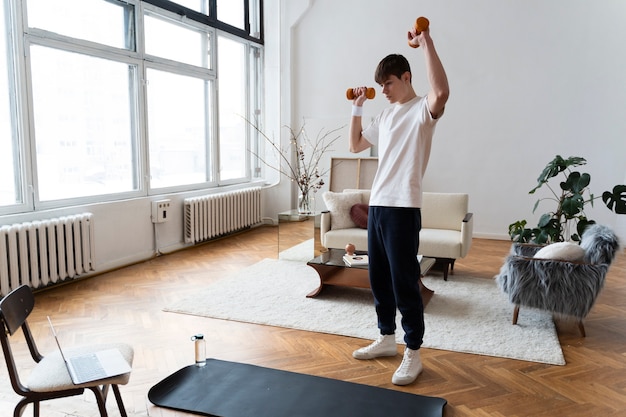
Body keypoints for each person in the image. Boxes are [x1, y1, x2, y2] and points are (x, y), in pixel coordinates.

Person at [348, 23, 449, 385]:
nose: (384, 91)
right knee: (378, 278)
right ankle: (386, 338)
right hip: (378, 204)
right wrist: (358, 106)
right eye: (380, 87)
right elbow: (356, 144)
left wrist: (427, 43)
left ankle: (413, 352)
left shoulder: (422, 109)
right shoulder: (386, 114)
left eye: (388, 83)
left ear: (405, 77)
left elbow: (442, 90)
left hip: (404, 207)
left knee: (404, 280)